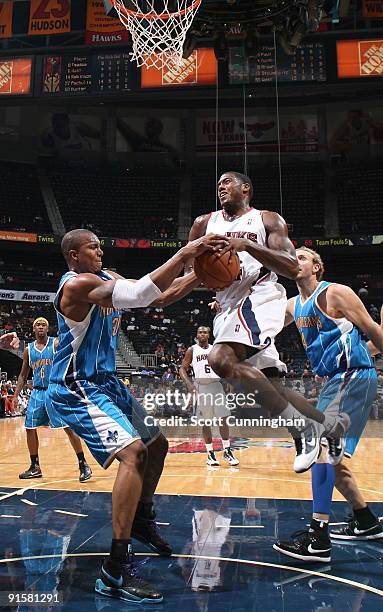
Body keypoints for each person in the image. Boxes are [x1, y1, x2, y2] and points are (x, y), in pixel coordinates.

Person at [45, 228, 228, 604]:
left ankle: (142, 519)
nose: (99, 249)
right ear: (73, 256)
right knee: (133, 454)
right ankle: (115, 569)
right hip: (76, 386)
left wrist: (201, 270)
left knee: (157, 445)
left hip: (106, 382)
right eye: (91, 246)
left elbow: (159, 296)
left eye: (100, 244)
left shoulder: (108, 277)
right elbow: (140, 292)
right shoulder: (77, 285)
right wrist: (186, 252)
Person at [188, 171, 349, 473]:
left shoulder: (267, 220)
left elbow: (292, 268)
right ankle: (329, 425)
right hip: (228, 306)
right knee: (271, 390)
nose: (221, 187)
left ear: (245, 188)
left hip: (260, 296)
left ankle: (303, 429)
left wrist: (248, 246)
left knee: (220, 358)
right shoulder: (203, 223)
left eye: (228, 182)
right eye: (218, 183)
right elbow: (191, 268)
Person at [273, 247, 383, 563]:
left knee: (321, 447)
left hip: (351, 376)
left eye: (302, 257)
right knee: (335, 459)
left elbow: (371, 331)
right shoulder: (293, 305)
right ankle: (365, 520)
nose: (295, 260)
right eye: (291, 256)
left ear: (317, 267)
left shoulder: (336, 293)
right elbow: (261, 328)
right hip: (335, 381)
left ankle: (318, 537)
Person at [13, 317, 92, 483]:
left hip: (55, 390)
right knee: (29, 427)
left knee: (68, 427)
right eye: (38, 325)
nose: (41, 327)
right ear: (33, 329)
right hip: (37, 392)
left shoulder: (55, 344)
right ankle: (35, 466)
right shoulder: (28, 350)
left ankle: (83, 463)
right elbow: (22, 375)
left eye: (44, 325)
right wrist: (15, 395)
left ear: (47, 329)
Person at [179, 325, 239, 467]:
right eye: (200, 332)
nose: (203, 335)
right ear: (197, 335)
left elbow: (226, 367)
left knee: (223, 418)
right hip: (201, 386)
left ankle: (227, 450)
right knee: (206, 422)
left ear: (209, 335)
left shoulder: (215, 350)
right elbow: (182, 368)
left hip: (217, 386)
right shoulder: (192, 350)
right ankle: (210, 453)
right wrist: (189, 384)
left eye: (205, 332)